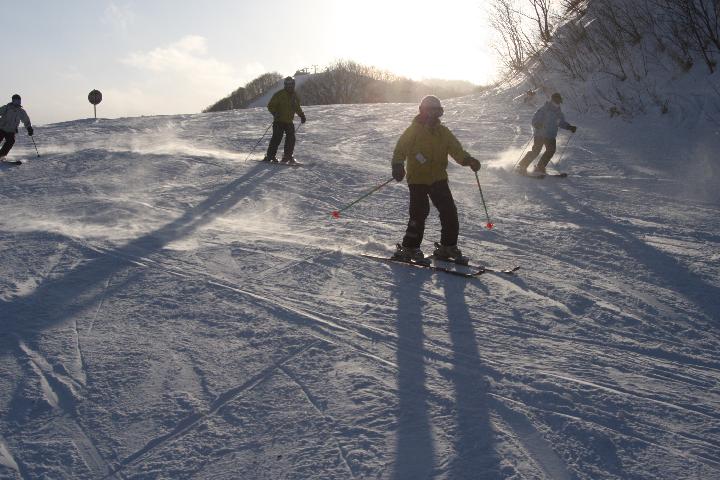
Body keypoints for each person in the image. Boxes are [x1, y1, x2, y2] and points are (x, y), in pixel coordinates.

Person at [390, 95, 481, 264]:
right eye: (429, 112)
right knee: (419, 212)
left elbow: (456, 150)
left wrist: (468, 160)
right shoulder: (413, 130)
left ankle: (447, 246)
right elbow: (400, 149)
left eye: (436, 112)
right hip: (418, 179)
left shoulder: (443, 132)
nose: (433, 116)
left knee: (449, 211)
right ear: (422, 112)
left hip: (438, 178)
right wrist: (397, 165)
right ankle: (409, 248)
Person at [515, 92, 577, 175]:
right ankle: (522, 166)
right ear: (552, 100)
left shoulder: (559, 113)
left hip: (551, 135)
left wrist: (569, 127)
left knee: (551, 151)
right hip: (540, 134)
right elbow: (535, 119)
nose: (558, 103)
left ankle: (540, 167)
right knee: (536, 151)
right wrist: (537, 124)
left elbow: (561, 123)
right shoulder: (544, 109)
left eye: (559, 102)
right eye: (556, 101)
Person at [263, 76, 306, 165]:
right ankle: (270, 156)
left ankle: (287, 156)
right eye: (287, 84)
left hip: (289, 121)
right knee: (277, 138)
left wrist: (301, 115)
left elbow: (297, 107)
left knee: (291, 139)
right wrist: (275, 113)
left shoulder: (294, 96)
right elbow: (270, 105)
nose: (289, 86)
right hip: (279, 121)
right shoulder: (279, 94)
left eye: (291, 84)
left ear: (293, 85)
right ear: (285, 85)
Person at [0, 94, 33, 161]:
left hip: (11, 131)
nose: (18, 102)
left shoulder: (21, 111)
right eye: (16, 101)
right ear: (13, 101)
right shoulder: (6, 107)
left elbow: (26, 120)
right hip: (2, 128)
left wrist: (29, 128)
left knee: (11, 141)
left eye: (19, 101)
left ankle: (1, 155)